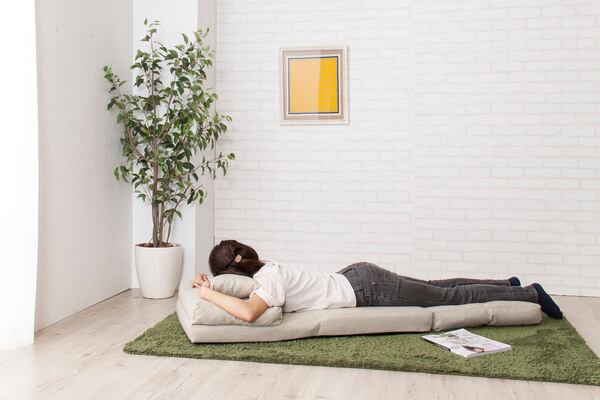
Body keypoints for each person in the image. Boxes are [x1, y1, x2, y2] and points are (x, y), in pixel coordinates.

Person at [193, 240, 563, 323]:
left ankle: (530, 293)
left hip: (367, 289)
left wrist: (209, 294)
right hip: (358, 277)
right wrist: (210, 282)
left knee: (446, 296)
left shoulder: (267, 280)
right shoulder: (267, 267)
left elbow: (249, 312)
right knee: (438, 286)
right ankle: (507, 283)